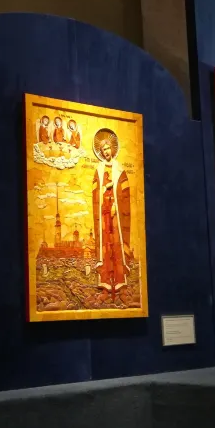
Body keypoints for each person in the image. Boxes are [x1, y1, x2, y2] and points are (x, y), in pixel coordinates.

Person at [91, 128, 132, 305]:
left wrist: (117, 204)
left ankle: (121, 287)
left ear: (112, 149)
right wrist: (103, 190)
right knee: (105, 248)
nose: (106, 152)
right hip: (104, 214)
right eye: (103, 150)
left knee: (117, 246)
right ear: (100, 152)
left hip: (117, 217)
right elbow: (95, 193)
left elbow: (126, 194)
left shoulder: (120, 171)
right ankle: (106, 287)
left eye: (108, 148)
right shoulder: (98, 171)